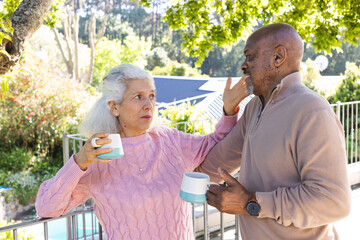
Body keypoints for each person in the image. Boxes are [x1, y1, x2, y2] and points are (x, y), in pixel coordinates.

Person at [35, 64, 249, 239]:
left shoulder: (169, 140)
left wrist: (229, 110)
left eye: (152, 96)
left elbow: (216, 144)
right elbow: (47, 208)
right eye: (138, 97)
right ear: (114, 107)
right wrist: (79, 162)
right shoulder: (98, 158)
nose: (148, 105)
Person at [196, 23, 352, 240]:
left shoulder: (313, 111)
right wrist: (228, 111)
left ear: (278, 57)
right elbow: (213, 166)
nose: (243, 65)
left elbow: (333, 202)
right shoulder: (254, 108)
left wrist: (250, 203)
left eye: (250, 57)